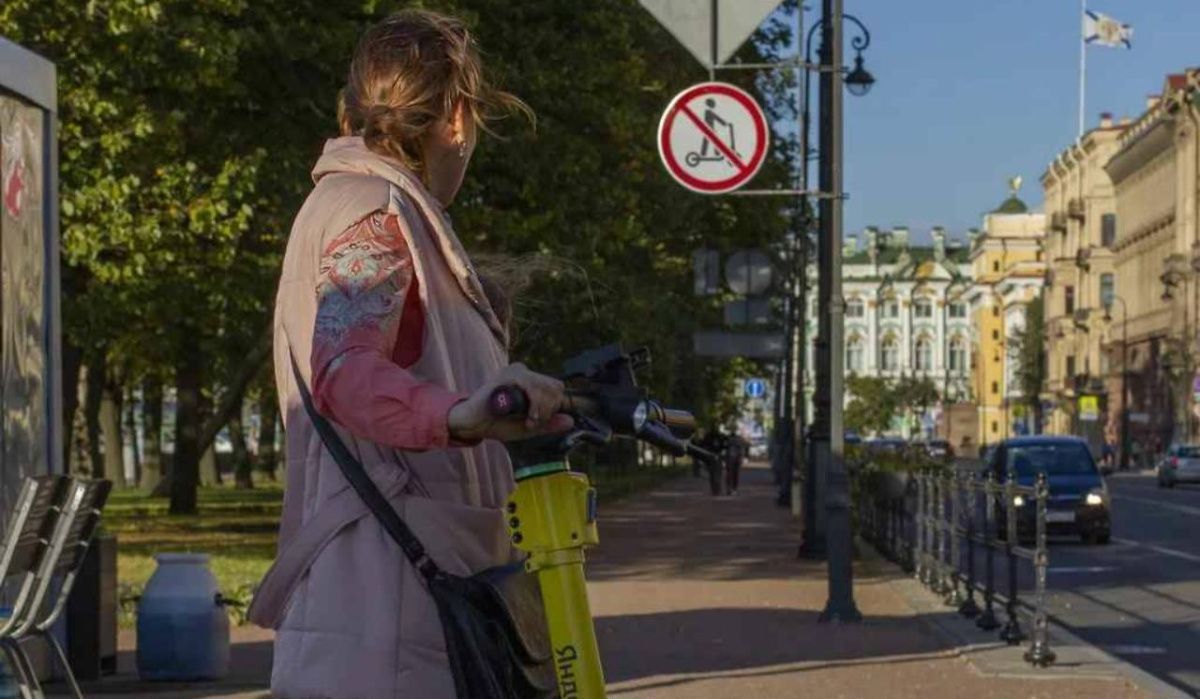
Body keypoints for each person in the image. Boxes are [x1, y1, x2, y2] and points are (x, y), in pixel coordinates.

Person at [246, 11, 572, 698]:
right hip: (391, 619)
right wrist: (461, 414)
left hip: (383, 611)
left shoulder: (366, 207)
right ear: (456, 116)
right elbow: (344, 369)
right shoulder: (374, 209)